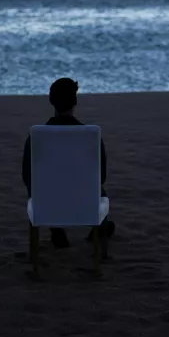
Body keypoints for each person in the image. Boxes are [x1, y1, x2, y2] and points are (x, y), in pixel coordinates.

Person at [22, 77, 114, 248]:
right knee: (101, 191)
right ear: (75, 102)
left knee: (36, 182)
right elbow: (101, 176)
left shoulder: (36, 136)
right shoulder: (91, 136)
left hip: (47, 205)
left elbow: (26, 176)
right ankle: (98, 231)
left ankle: (56, 228)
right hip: (83, 205)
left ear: (51, 101)